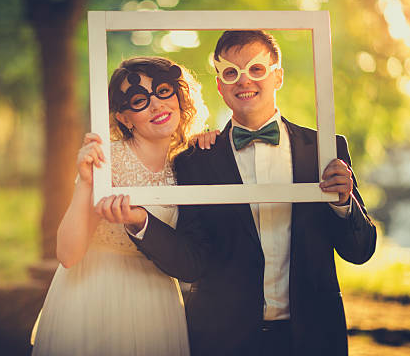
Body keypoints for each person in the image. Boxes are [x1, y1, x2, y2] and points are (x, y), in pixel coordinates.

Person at [97, 30, 377, 356]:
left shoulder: (324, 150)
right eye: (231, 72)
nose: (244, 81)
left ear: (278, 76)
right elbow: (192, 263)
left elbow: (360, 250)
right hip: (223, 340)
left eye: (256, 69)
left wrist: (344, 203)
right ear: (220, 85)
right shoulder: (194, 161)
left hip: (313, 336)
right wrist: (140, 222)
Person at [30, 56, 212, 356]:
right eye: (140, 100)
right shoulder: (104, 161)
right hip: (95, 295)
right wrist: (87, 183)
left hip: (157, 301)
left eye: (163, 91)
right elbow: (67, 254)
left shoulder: (188, 163)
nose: (156, 105)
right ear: (125, 118)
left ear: (179, 97)